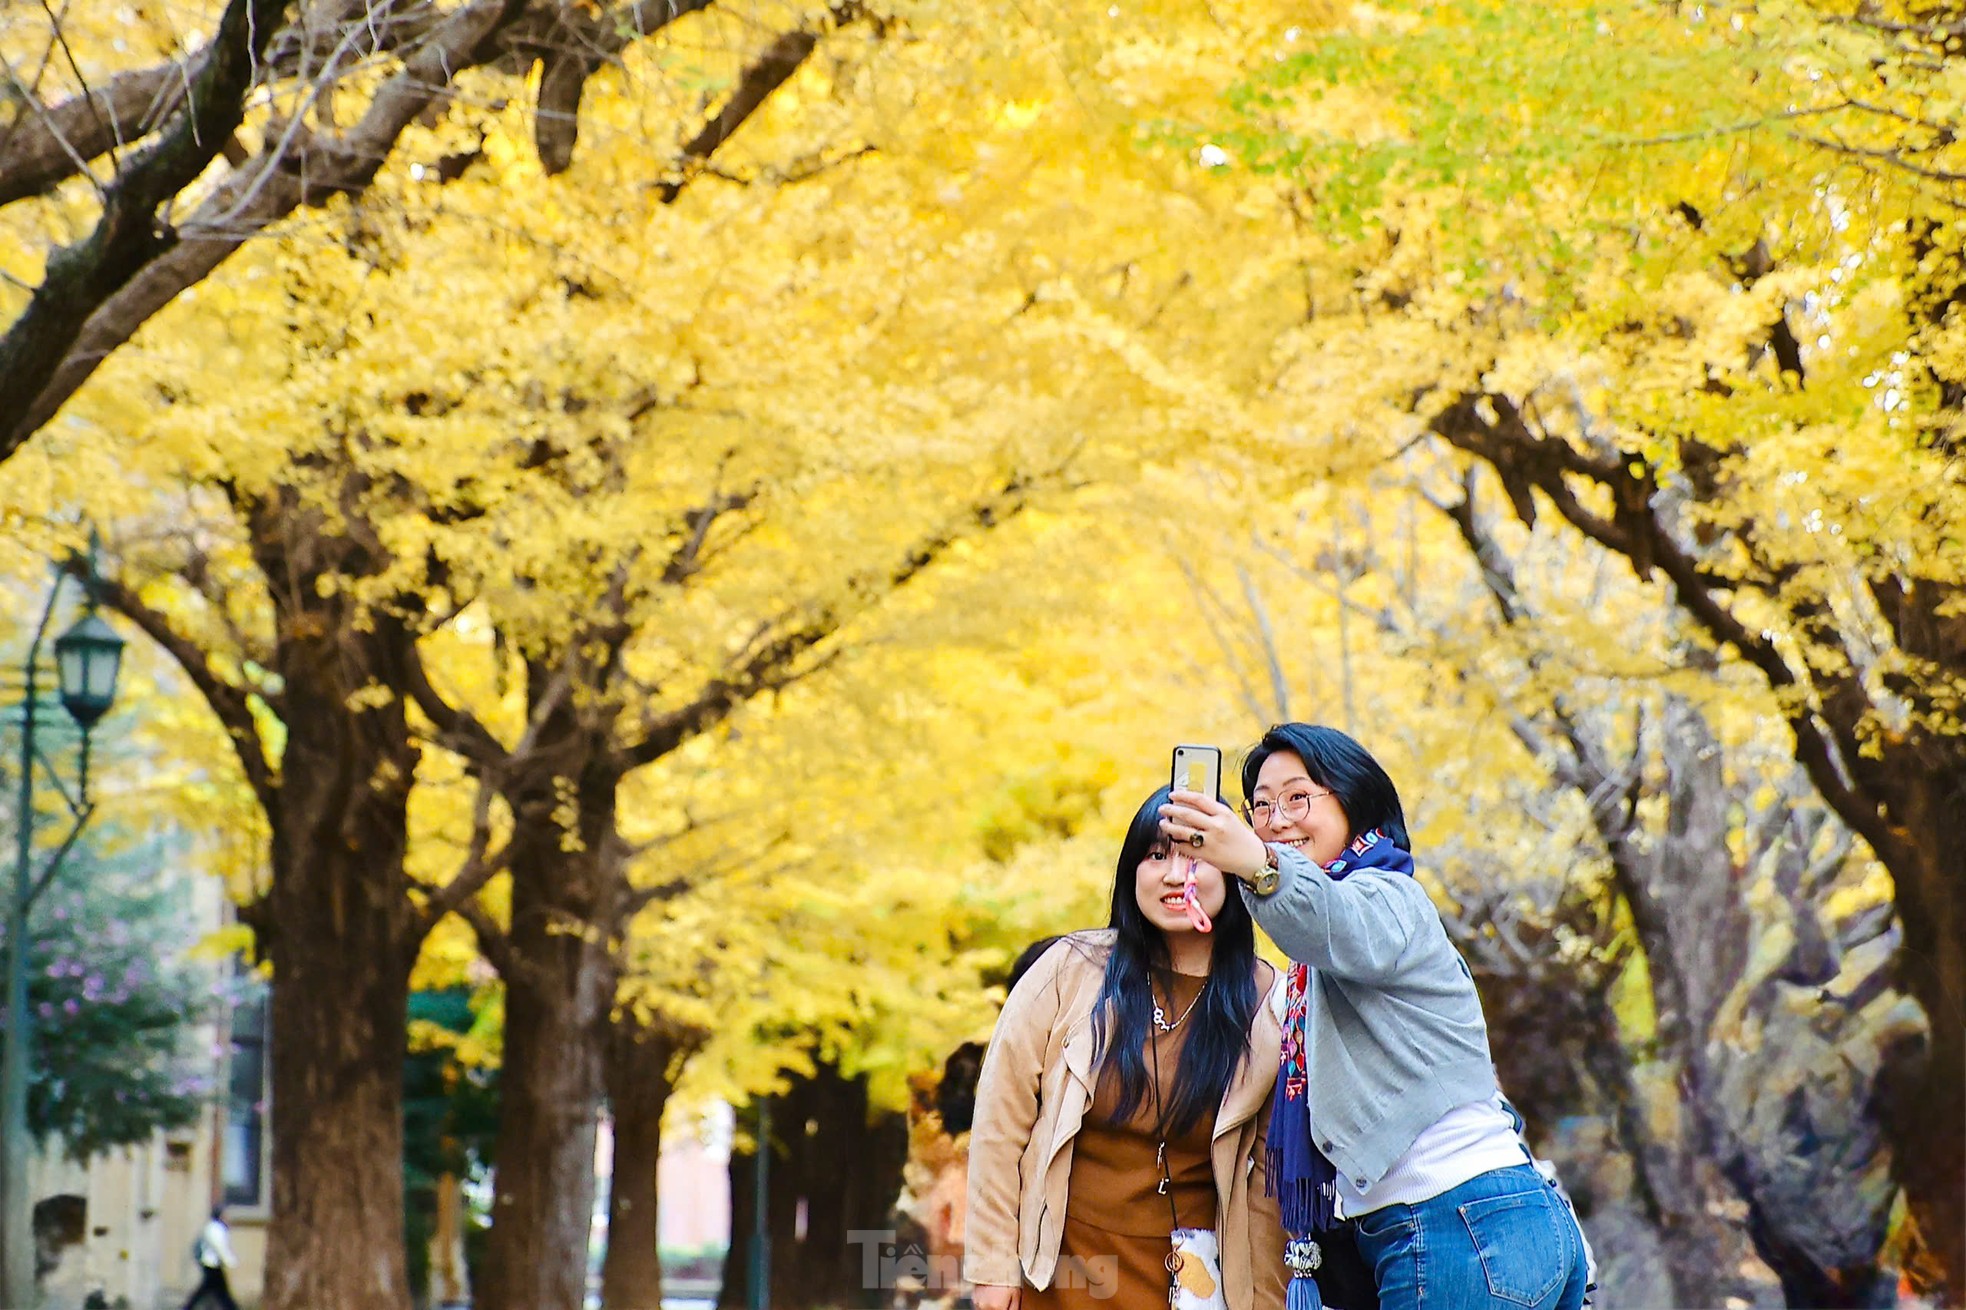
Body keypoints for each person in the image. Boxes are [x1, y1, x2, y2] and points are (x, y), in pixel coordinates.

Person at [1157, 724, 1590, 1310]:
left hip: (1454, 1220)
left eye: (1298, 797)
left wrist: (1256, 864)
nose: (1277, 818)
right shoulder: (1310, 971)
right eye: (1260, 805)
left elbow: (1330, 919)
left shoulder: (1388, 897)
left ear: (1355, 802)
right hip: (1479, 1224)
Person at [965, 786, 1289, 1310]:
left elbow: (1266, 1185)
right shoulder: (1070, 970)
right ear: (1130, 871)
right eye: (1156, 855)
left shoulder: (1265, 1003)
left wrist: (1265, 1301)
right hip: (1061, 1268)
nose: (1175, 874)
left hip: (1191, 1280)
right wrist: (993, 1268)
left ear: (1233, 871)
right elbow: (1001, 1124)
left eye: (1199, 854)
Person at [182, 1205, 240, 1310]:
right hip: (211, 1264)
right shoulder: (215, 1229)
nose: (228, 1219)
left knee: (210, 1289)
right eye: (225, 1216)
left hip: (213, 1264)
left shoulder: (217, 1228)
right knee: (220, 1291)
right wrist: (230, 1261)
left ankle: (187, 1307)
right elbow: (219, 1247)